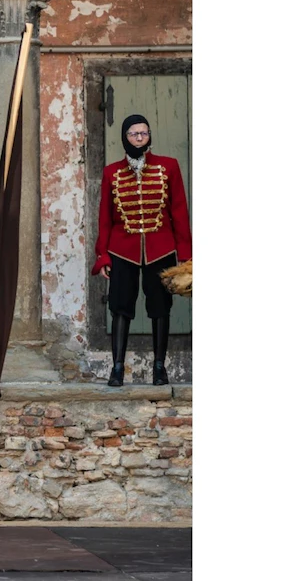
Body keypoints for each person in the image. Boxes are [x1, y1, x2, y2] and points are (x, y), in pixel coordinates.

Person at [92, 114, 192, 387]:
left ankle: (159, 367)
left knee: (160, 307)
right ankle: (117, 368)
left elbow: (179, 212)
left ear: (149, 136)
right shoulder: (111, 172)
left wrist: (186, 256)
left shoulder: (168, 166)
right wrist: (103, 255)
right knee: (120, 307)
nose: (139, 138)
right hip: (122, 249)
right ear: (125, 137)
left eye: (144, 133)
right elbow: (105, 218)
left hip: (161, 248)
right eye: (134, 134)